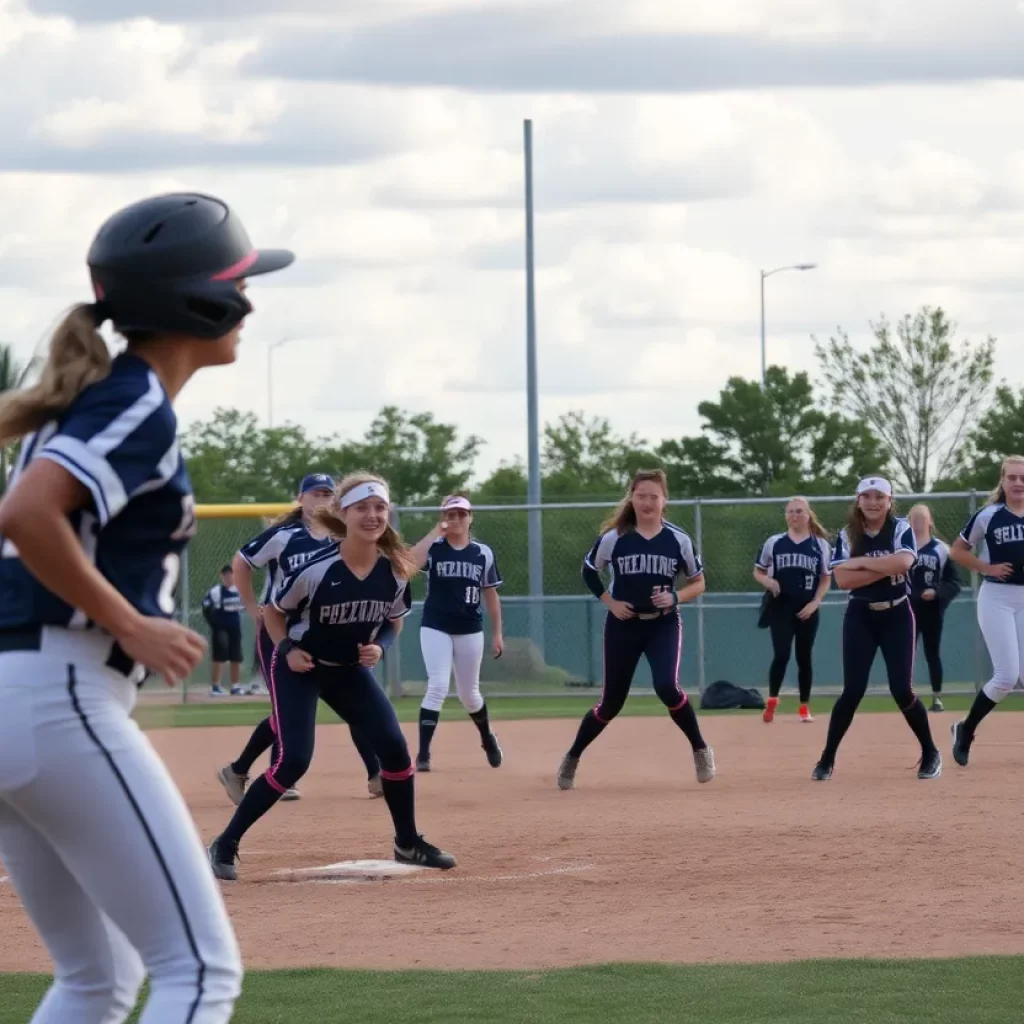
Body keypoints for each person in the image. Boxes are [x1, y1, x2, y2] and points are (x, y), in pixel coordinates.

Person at [0, 191, 293, 1022]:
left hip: (22, 698)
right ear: (197, 302)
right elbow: (24, 515)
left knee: (98, 978)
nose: (249, 302)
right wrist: (128, 622)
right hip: (60, 697)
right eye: (238, 284)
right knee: (199, 972)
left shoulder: (95, 401)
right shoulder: (131, 398)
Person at [208, 473, 457, 880]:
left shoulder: (393, 571)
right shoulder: (316, 568)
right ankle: (225, 842)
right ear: (343, 514)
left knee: (394, 751)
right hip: (301, 670)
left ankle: (407, 843)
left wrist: (382, 647)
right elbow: (273, 613)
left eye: (379, 507)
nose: (372, 515)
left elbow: (394, 622)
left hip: (348, 671)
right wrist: (288, 650)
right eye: (362, 507)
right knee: (293, 762)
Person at [216, 473, 384, 804]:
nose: (321, 499)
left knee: (358, 703)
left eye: (327, 494)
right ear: (301, 499)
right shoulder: (284, 536)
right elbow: (241, 561)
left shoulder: (342, 536)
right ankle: (244, 769)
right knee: (287, 713)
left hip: (327, 630)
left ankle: (376, 774)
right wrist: (253, 608)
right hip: (281, 632)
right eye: (314, 493)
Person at [556, 469, 715, 791]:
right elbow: (589, 572)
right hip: (623, 625)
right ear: (631, 498)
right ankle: (572, 756)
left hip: (663, 624)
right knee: (611, 703)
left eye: (653, 496)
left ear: (664, 500)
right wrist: (609, 601)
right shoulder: (615, 537)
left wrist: (674, 596)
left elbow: (698, 583)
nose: (647, 502)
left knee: (666, 687)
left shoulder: (677, 539)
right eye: (641, 495)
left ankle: (700, 748)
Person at [811, 476, 942, 781]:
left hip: (897, 614)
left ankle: (931, 752)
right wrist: (884, 565)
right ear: (858, 500)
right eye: (867, 496)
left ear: (889, 501)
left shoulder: (900, 528)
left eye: (879, 497)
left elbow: (905, 563)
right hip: (860, 616)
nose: (873, 502)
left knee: (901, 688)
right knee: (853, 690)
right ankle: (826, 759)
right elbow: (843, 581)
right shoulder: (847, 535)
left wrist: (859, 564)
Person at [409, 495, 505, 772]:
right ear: (443, 517)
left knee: (469, 694)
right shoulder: (435, 548)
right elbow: (410, 563)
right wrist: (435, 532)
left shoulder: (482, 553)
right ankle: (424, 754)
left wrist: (497, 633)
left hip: (469, 628)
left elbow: (491, 595)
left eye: (461, 514)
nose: (456, 519)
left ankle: (487, 737)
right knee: (437, 686)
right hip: (435, 625)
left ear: (470, 518)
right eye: (450, 514)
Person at [950, 455, 1024, 766]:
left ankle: (964, 728)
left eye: (1023, 477)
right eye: (1012, 477)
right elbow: (956, 550)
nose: (1018, 483)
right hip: (997, 598)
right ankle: (966, 730)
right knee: (1007, 676)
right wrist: (985, 567)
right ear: (1003, 481)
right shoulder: (990, 515)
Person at [753, 497, 832, 724]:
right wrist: (768, 582)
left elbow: (826, 578)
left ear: (808, 515)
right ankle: (772, 701)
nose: (794, 516)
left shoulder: (820, 545)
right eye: (790, 512)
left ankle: (804, 707)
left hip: (807, 608)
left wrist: (815, 602)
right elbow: (758, 571)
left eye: (799, 511)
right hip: (781, 606)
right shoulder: (775, 542)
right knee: (782, 654)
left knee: (804, 657)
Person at [907, 503, 962, 713]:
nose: (918, 522)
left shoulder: (941, 549)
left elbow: (954, 581)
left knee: (932, 652)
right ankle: (906, 694)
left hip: (930, 609)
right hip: (906, 608)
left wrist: (937, 593)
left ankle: (937, 696)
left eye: (922, 518)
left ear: (930, 521)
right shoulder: (902, 547)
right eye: (913, 518)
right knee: (905, 652)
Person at [202, 563, 245, 696]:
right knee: (219, 657)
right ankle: (216, 686)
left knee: (236, 657)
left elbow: (244, 606)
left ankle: (235, 686)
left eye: (230, 574)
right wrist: (214, 624)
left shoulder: (240, 590)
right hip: (220, 628)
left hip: (235, 627)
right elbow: (206, 606)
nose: (228, 577)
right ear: (222, 576)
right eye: (225, 575)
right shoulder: (216, 591)